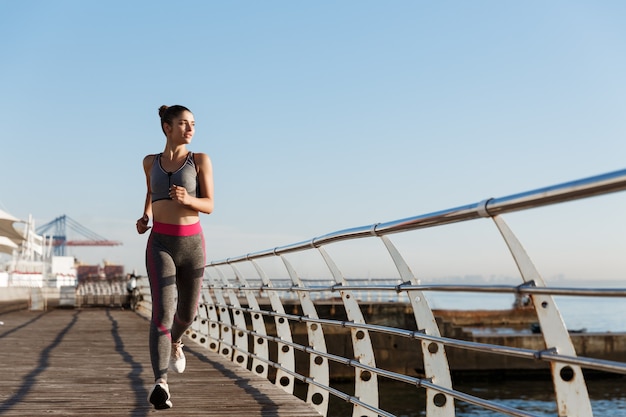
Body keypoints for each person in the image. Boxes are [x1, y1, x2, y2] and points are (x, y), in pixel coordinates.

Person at [136, 104, 214, 410]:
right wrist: (144, 217)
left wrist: (188, 199)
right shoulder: (149, 162)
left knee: (187, 315)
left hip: (192, 245)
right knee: (161, 314)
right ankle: (161, 384)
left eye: (193, 123)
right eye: (184, 123)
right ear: (167, 128)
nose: (191, 129)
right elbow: (149, 193)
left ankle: (175, 342)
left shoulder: (200, 160)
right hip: (160, 244)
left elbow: (209, 204)